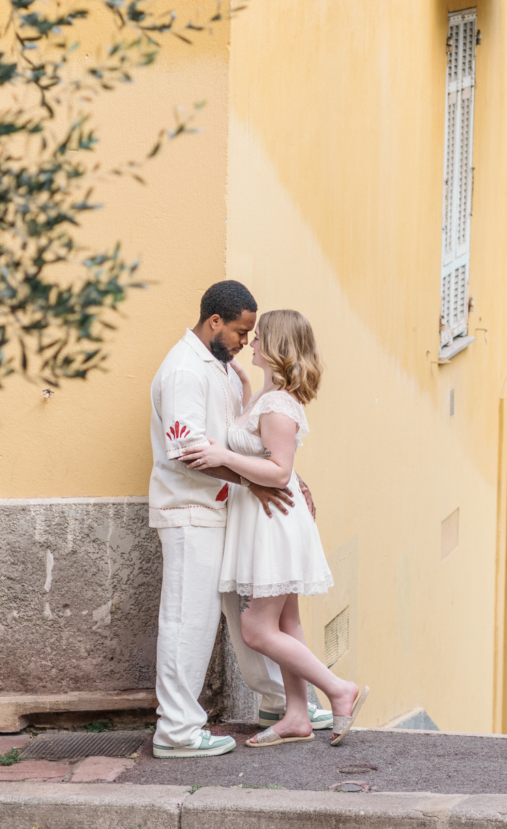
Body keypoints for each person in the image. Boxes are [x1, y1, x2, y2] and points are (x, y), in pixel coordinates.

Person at [149, 280, 332, 759]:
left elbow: (258, 442)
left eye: (251, 334)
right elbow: (189, 450)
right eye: (239, 331)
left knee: (244, 615)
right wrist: (259, 482)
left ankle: (281, 704)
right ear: (215, 322)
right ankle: (178, 731)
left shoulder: (224, 369)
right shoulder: (185, 372)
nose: (245, 342)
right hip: (191, 510)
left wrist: (289, 481)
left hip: (229, 507)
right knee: (189, 619)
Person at [183, 308, 368, 747]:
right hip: (267, 519)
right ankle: (298, 715)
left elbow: (280, 471)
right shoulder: (265, 395)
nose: (252, 342)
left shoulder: (279, 404)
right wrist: (244, 391)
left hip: (273, 522)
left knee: (256, 630)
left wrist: (223, 457)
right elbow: (266, 450)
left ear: (278, 346)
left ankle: (340, 690)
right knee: (286, 624)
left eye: (260, 336)